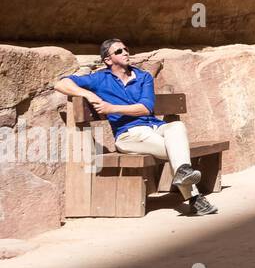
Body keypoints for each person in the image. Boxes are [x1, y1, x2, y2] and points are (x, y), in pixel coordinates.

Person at [52, 39, 218, 216]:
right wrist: (87, 93)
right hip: (129, 136)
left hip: (154, 127)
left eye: (126, 49)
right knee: (177, 150)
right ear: (108, 60)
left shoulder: (143, 76)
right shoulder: (100, 78)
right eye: (118, 51)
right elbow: (60, 84)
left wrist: (111, 108)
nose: (125, 52)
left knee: (176, 126)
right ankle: (194, 199)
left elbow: (145, 108)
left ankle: (186, 179)